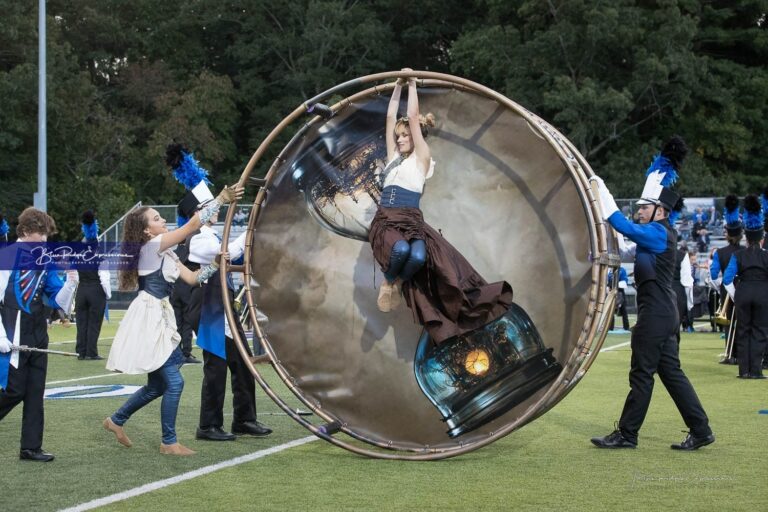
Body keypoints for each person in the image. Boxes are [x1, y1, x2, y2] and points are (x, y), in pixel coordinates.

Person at [369, 70, 512, 345]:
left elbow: (412, 118)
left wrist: (412, 84)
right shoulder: (392, 158)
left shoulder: (422, 158)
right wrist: (398, 85)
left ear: (414, 135)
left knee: (419, 257)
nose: (399, 140)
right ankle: (388, 282)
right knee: (400, 250)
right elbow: (390, 119)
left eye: (404, 136)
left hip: (410, 218)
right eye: (397, 136)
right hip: (387, 217)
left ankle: (398, 284)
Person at [589, 136, 714, 450]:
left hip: (655, 316)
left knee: (641, 374)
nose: (639, 211)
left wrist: (602, 193)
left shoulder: (658, 232)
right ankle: (701, 430)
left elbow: (624, 227)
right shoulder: (655, 236)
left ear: (660, 211)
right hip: (662, 314)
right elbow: (629, 252)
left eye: (644, 207)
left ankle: (628, 434)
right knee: (671, 374)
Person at [102, 181, 243, 456]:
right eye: (156, 218)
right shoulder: (152, 245)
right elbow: (190, 227)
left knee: (158, 384)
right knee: (175, 383)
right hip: (150, 316)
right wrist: (221, 199)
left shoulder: (163, 250)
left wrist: (214, 265)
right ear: (146, 230)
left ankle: (116, 420)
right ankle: (169, 442)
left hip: (160, 315)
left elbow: (192, 279)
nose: (162, 219)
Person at [185, 207, 272, 441]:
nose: (215, 211)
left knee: (243, 363)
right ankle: (208, 425)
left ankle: (244, 419)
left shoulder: (211, 234)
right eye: (207, 207)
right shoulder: (197, 238)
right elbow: (225, 254)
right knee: (216, 367)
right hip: (209, 309)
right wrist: (252, 224)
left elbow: (237, 255)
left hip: (223, 308)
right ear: (196, 213)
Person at [0, 207, 77, 461]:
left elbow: (58, 302)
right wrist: (1, 336)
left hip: (37, 332)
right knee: (13, 390)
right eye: (40, 233)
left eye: (46, 234)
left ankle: (31, 447)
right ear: (24, 231)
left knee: (35, 391)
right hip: (12, 331)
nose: (44, 239)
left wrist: (71, 282)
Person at [722, 194, 767, 379]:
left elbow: (726, 278)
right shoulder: (767, 255)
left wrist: (735, 295)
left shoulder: (738, 255)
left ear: (747, 238)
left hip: (743, 292)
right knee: (760, 331)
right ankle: (756, 371)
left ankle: (743, 371)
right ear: (761, 238)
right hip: (763, 293)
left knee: (743, 331)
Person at [710, 194, 744, 364]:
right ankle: (743, 354)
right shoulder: (745, 250)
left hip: (727, 289)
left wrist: (720, 288)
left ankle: (731, 354)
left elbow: (714, 274)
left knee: (728, 321)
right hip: (744, 288)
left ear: (727, 235)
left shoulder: (720, 252)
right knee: (743, 322)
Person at [75, 210, 111, 360]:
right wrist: (107, 294)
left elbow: (74, 276)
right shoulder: (100, 254)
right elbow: (104, 277)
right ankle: (91, 352)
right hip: (96, 290)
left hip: (81, 290)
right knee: (94, 323)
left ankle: (81, 352)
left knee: (81, 323)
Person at [170, 211, 201, 365]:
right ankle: (186, 352)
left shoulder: (174, 251)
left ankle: (176, 351)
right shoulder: (191, 250)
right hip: (187, 289)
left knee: (177, 322)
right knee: (188, 322)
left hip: (175, 290)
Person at [608, 266, 630, 332]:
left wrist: (615, 284)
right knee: (611, 312)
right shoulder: (610, 271)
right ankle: (610, 328)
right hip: (611, 292)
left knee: (624, 311)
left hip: (620, 292)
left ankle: (626, 327)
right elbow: (608, 281)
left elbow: (624, 282)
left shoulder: (622, 270)